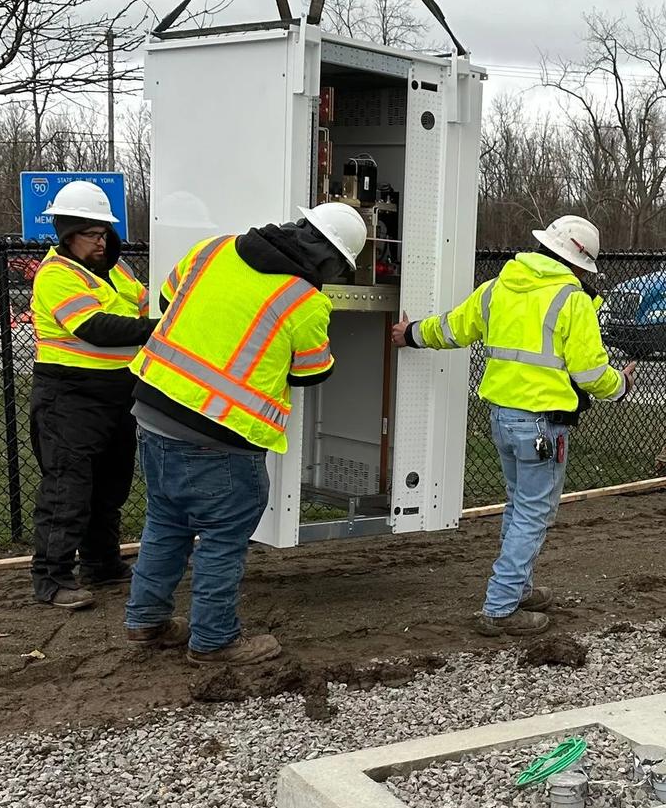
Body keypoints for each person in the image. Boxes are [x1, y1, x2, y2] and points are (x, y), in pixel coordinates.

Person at [123, 202, 365, 665]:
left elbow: (169, 301)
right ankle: (214, 640)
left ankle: (146, 620)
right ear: (331, 261)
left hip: (152, 410)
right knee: (223, 538)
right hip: (222, 436)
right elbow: (313, 371)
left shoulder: (213, 250)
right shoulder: (304, 300)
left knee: (166, 521)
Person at [393, 214, 629, 635]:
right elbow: (591, 373)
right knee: (532, 514)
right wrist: (621, 386)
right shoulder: (572, 300)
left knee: (519, 505)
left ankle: (516, 590)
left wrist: (410, 333)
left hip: (503, 419)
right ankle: (501, 607)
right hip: (543, 427)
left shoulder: (497, 287)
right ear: (578, 263)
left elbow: (452, 328)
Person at [29, 181, 156, 609]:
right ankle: (52, 578)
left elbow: (145, 306)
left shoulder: (118, 271)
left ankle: (101, 565)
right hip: (69, 394)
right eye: (91, 234)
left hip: (119, 391)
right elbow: (95, 328)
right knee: (68, 488)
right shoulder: (56, 275)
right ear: (67, 234)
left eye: (104, 233)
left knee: (110, 484)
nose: (101, 242)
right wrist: (159, 329)